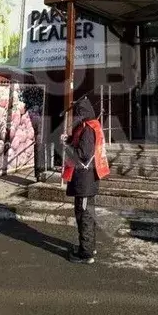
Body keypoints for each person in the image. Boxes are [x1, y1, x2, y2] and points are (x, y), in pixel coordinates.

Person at [61, 96, 109, 265]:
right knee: (87, 214)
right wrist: (68, 140)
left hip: (85, 180)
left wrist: (67, 148)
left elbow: (83, 154)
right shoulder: (89, 126)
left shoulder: (88, 129)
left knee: (84, 215)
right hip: (88, 179)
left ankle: (85, 253)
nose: (75, 117)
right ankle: (88, 246)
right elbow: (80, 144)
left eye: (77, 114)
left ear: (82, 113)